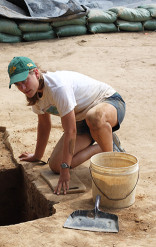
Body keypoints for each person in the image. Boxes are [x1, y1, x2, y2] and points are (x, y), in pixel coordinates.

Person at [7, 56, 126, 195]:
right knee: (55, 165)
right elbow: (44, 125)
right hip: (82, 121)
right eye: (17, 85)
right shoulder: (36, 96)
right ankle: (109, 144)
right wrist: (37, 156)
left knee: (94, 117)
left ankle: (110, 161)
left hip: (109, 103)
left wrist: (65, 169)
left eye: (25, 81)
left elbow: (70, 130)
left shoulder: (57, 87)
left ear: (36, 73)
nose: (23, 87)